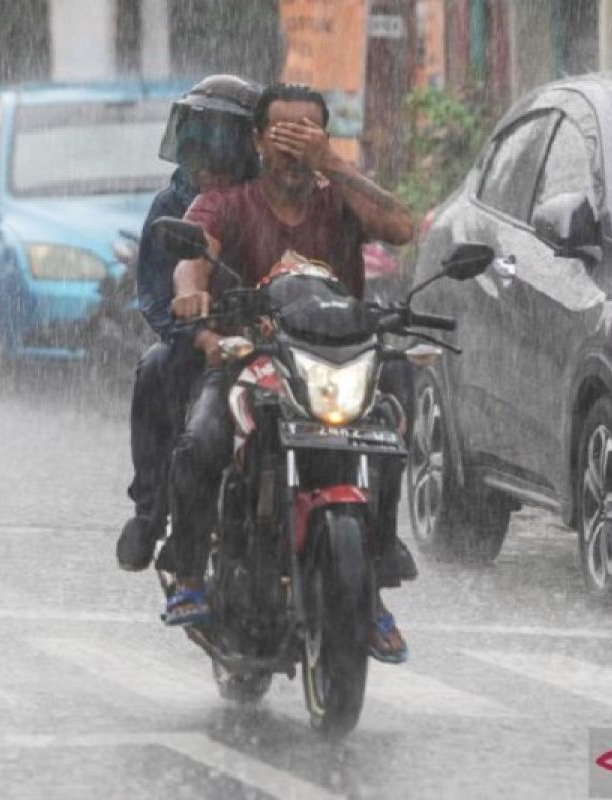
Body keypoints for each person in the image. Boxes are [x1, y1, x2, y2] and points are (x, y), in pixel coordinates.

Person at [164, 83, 417, 664]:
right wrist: (191, 295)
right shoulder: (228, 203)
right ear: (256, 141)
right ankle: (188, 577)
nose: (294, 143)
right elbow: (192, 259)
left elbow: (401, 226)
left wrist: (334, 165)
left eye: (309, 131)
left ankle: (373, 573)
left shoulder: (340, 200)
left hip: (336, 365)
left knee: (395, 405)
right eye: (282, 131)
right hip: (249, 361)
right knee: (203, 435)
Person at [116, 75, 263, 571]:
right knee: (154, 367)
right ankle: (150, 513)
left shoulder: (271, 201)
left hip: (274, 344)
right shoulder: (169, 205)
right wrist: (199, 336)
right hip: (199, 344)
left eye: (217, 141)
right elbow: (157, 299)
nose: (202, 160)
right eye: (194, 140)